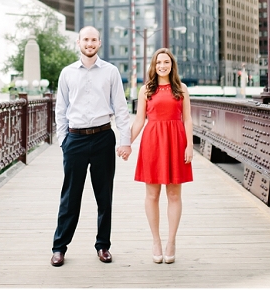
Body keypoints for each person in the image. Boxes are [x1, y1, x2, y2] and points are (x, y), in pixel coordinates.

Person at [50, 26, 132, 267]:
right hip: (74, 140)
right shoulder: (67, 73)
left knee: (104, 196)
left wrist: (124, 140)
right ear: (78, 42)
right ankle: (59, 248)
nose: (89, 43)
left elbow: (120, 107)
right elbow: (60, 109)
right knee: (70, 196)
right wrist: (63, 140)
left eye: (94, 39)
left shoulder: (111, 72)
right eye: (85, 39)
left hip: (103, 137)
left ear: (99, 42)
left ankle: (103, 246)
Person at [130, 48, 193, 264]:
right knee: (152, 195)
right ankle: (156, 241)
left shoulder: (181, 89)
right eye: (158, 63)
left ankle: (171, 241)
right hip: (153, 142)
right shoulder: (146, 90)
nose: (162, 66)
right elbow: (139, 120)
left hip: (176, 142)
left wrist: (190, 145)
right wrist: (126, 142)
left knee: (174, 194)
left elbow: (187, 120)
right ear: (154, 66)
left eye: (166, 62)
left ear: (172, 65)